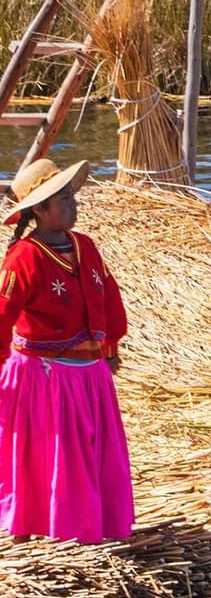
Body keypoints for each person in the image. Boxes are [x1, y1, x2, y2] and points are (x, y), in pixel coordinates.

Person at [0, 158, 133, 543]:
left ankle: (99, 524)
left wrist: (110, 347)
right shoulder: (24, 257)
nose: (73, 203)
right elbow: (2, 315)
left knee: (95, 454)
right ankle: (58, 527)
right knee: (59, 457)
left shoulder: (86, 246)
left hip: (90, 374)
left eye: (71, 195)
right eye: (61, 198)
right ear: (39, 210)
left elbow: (108, 296)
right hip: (46, 377)